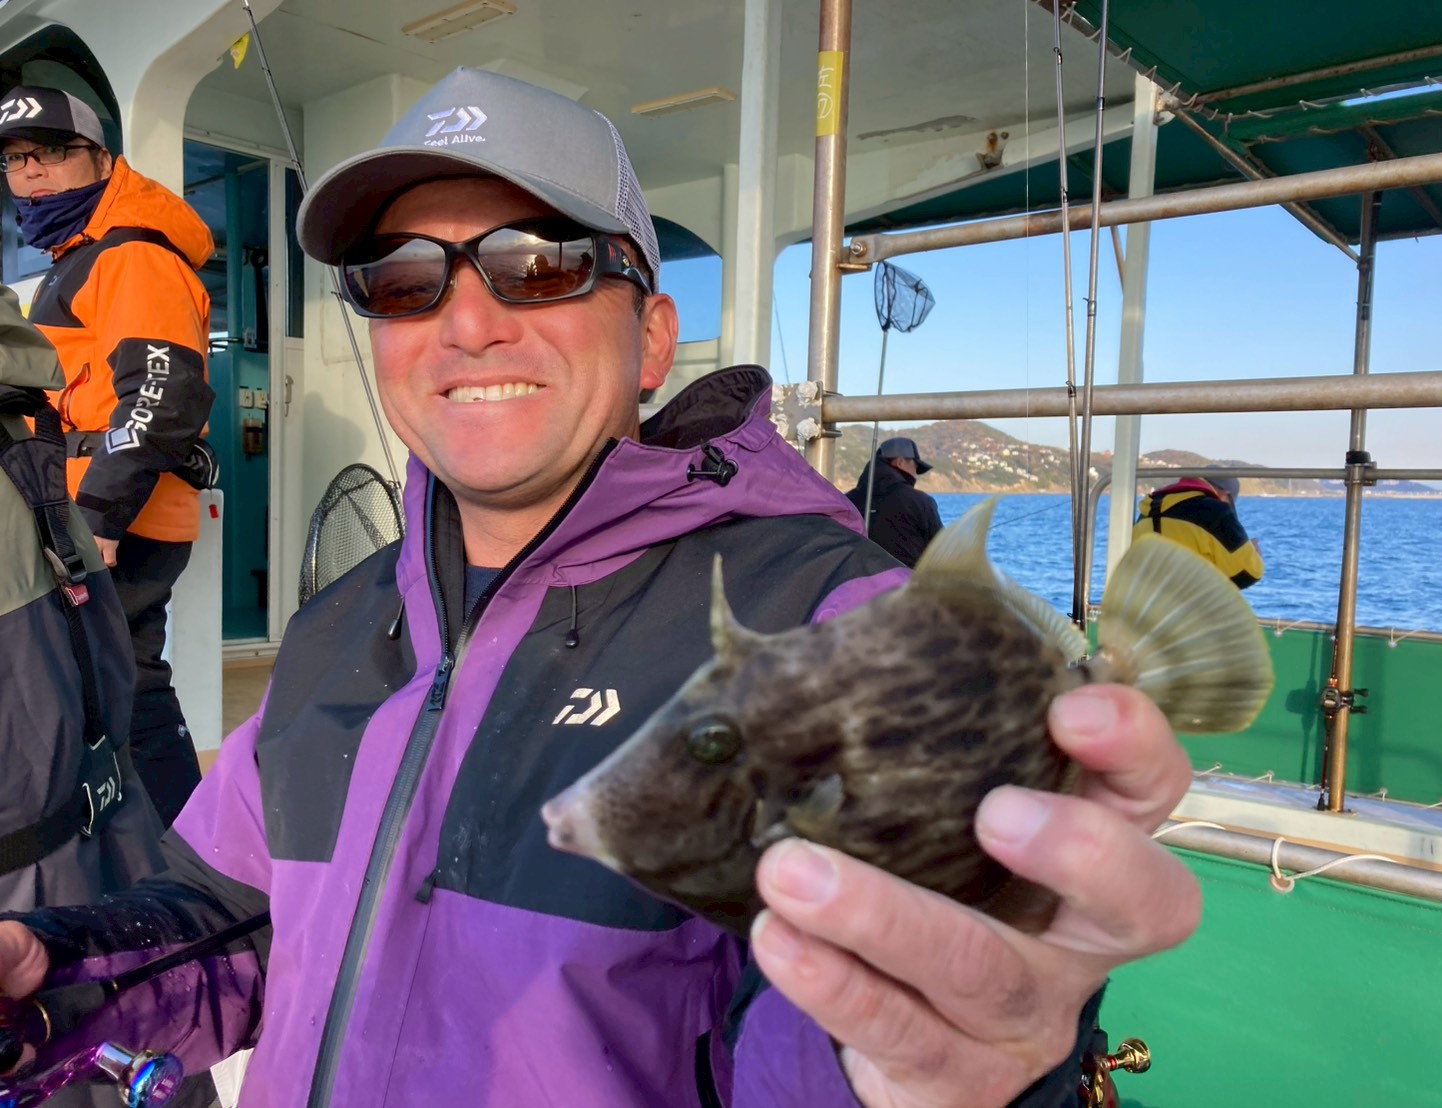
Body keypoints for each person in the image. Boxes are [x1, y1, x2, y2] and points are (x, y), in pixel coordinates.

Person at [0, 68, 1200, 1108]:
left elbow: (867, 1024)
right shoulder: (337, 624)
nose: (468, 321)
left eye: (541, 264)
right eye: (404, 279)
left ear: (654, 337)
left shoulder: (833, 626)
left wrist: (955, 1069)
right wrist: (49, 983)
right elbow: (237, 920)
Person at [0, 85, 216, 826]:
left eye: (53, 151)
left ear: (101, 159)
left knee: (126, 683)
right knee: (97, 682)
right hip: (79, 512)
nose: (32, 171)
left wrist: (97, 516)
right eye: (15, 159)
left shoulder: (130, 254)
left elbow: (164, 391)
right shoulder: (78, 256)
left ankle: (184, 849)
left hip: (111, 517)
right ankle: (130, 842)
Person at [1133, 472, 1263, 589]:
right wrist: (1252, 555)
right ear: (1225, 495)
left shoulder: (1148, 511)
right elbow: (1249, 573)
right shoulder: (1217, 512)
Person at [845, 435, 943, 567]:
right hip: (906, 578)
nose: (915, 474)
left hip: (857, 578)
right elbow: (941, 550)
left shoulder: (847, 501)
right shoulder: (919, 501)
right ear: (900, 462)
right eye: (915, 466)